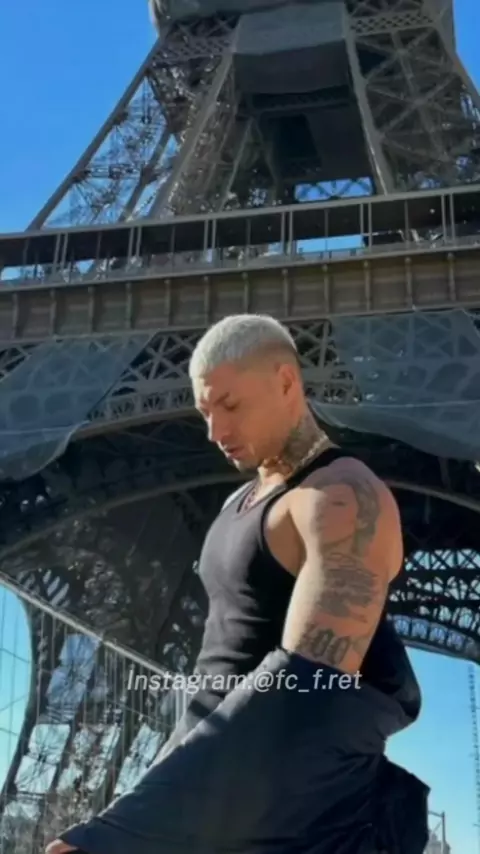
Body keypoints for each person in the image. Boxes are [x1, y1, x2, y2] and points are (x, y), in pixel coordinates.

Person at [47, 313, 428, 854]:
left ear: (286, 382)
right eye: (204, 412)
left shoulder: (342, 496)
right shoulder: (238, 501)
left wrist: (125, 829)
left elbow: (304, 686)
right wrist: (141, 808)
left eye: (230, 405)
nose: (214, 431)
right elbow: (216, 677)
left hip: (294, 818)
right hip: (215, 792)